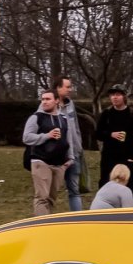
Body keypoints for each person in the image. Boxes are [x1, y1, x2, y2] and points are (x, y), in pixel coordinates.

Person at [23, 90, 71, 216]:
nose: (44, 102)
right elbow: (26, 137)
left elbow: (68, 138)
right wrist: (47, 136)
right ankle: (40, 228)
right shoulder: (36, 117)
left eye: (48, 99)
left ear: (56, 100)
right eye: (43, 99)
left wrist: (70, 159)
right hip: (41, 161)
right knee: (42, 197)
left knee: (51, 198)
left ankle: (47, 226)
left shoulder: (63, 118)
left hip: (60, 163)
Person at [94, 84, 133, 195]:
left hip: (126, 157)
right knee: (106, 185)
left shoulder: (132, 114)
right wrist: (110, 134)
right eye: (112, 95)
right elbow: (98, 134)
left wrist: (131, 156)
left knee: (128, 187)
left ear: (124, 97)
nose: (115, 97)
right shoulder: (107, 114)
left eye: (118, 94)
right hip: (108, 157)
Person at [54, 75, 85, 212]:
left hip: (74, 154)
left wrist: (79, 147)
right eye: (67, 87)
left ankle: (78, 220)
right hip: (56, 155)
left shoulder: (70, 104)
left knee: (74, 189)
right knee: (51, 190)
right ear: (58, 88)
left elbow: (76, 127)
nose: (70, 90)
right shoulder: (48, 104)